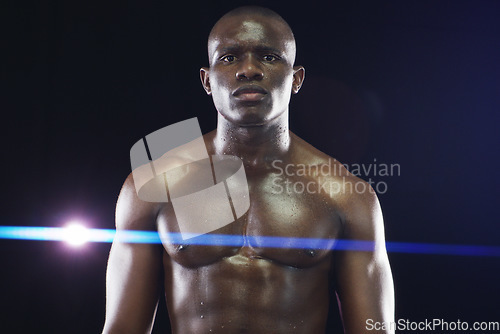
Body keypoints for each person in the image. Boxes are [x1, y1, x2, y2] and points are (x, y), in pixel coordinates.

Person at [102, 6, 394, 334]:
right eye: (229, 57)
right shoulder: (156, 186)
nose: (249, 70)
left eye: (269, 57)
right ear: (207, 80)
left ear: (296, 79)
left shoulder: (344, 195)